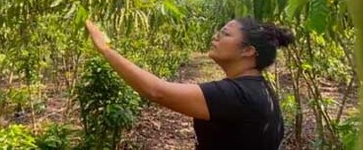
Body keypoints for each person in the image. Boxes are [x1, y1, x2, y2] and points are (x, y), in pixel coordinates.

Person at [84, 17, 294, 150]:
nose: (216, 36)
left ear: (248, 51)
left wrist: (105, 49)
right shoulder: (258, 88)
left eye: (226, 34)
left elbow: (157, 92)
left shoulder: (237, 95)